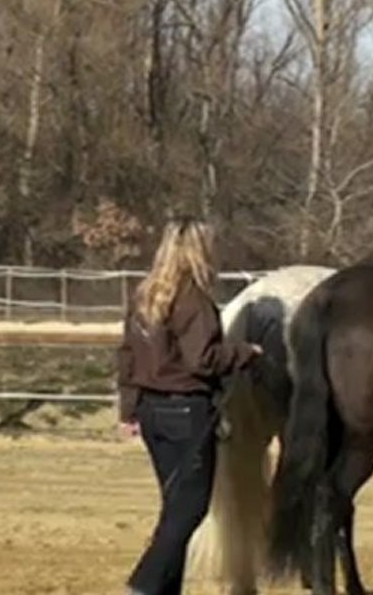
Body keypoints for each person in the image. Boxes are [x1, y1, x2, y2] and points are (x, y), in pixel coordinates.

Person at [115, 216, 262, 595]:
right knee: (190, 509)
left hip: (151, 411)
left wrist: (128, 410)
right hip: (186, 412)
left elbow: (127, 355)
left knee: (174, 509)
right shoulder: (194, 300)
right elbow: (203, 359)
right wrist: (245, 352)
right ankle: (143, 586)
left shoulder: (145, 295)